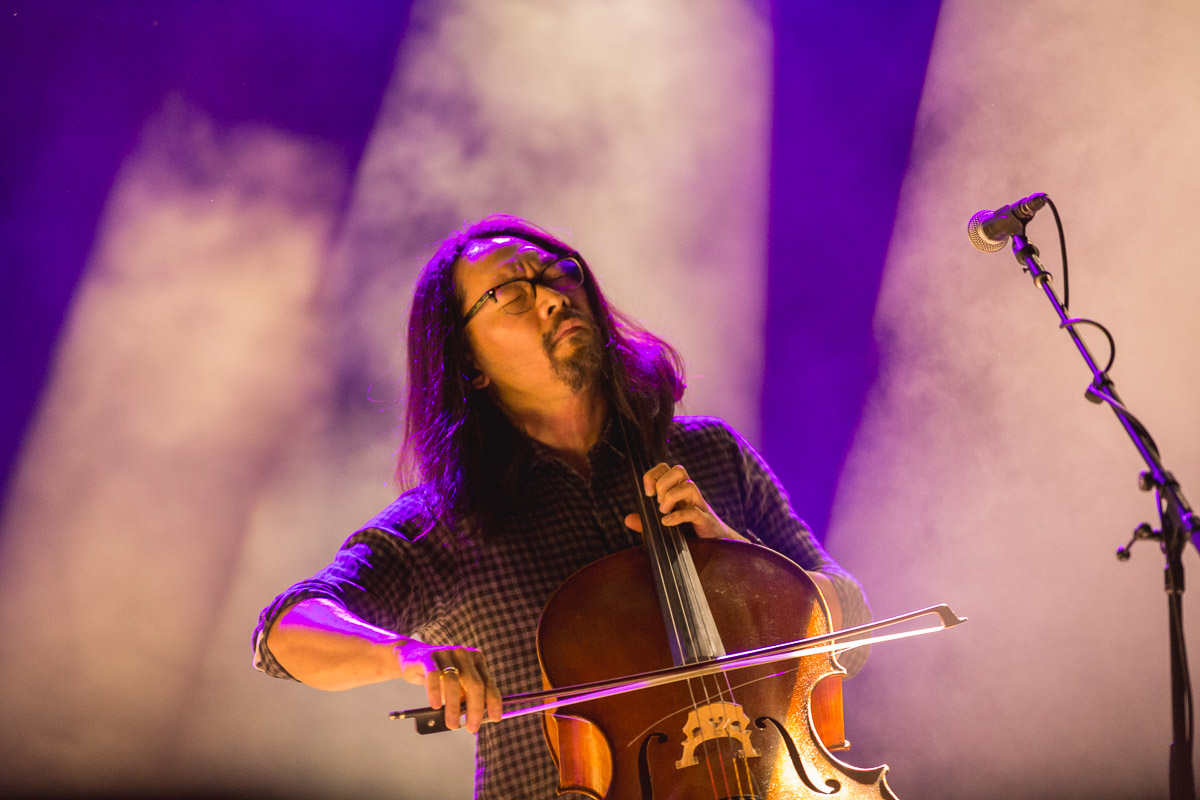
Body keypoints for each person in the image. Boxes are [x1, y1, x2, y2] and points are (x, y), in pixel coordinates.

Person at [252, 214, 871, 798]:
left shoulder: (709, 455)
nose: (552, 297)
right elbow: (286, 633)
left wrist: (741, 558)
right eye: (511, 295)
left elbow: (853, 626)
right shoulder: (448, 521)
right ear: (468, 363)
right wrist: (406, 655)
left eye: (559, 274)